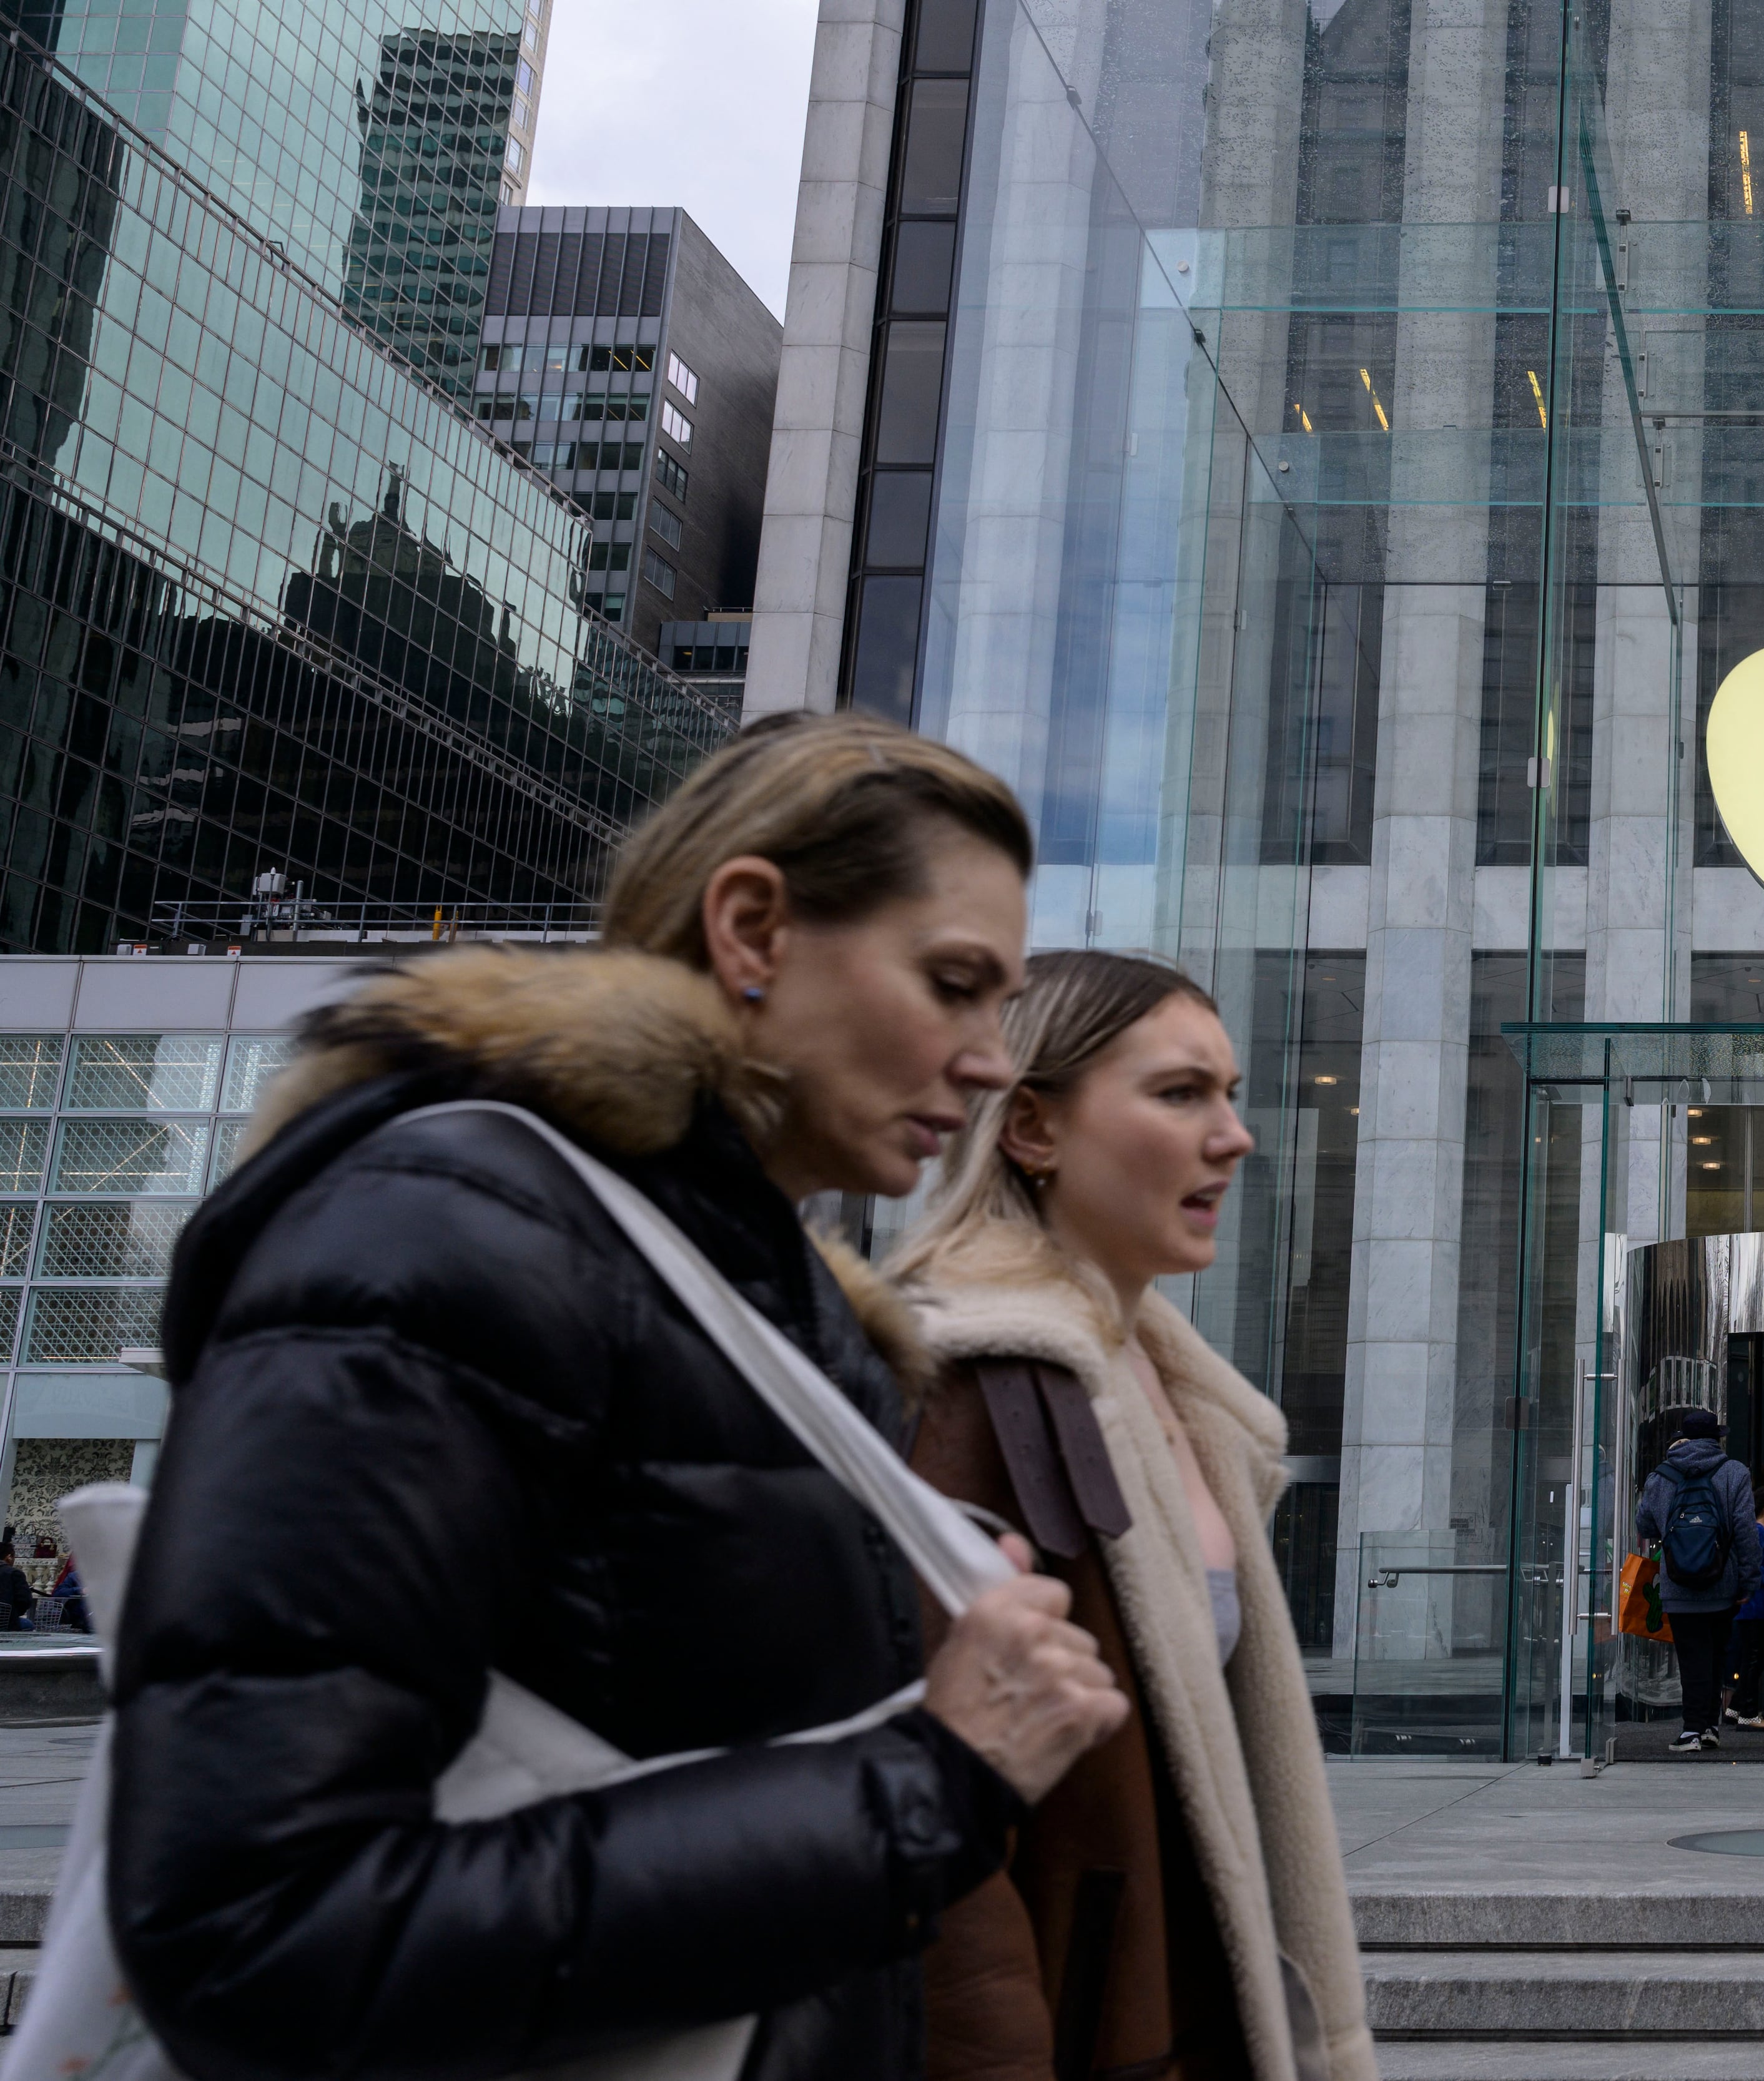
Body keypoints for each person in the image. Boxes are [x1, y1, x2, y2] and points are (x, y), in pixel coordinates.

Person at [109, 714, 1131, 2081]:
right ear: (754, 928)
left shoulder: (777, 1308)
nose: (994, 1058)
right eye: (955, 983)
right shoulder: (440, 1243)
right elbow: (253, 1932)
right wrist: (937, 1771)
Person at [885, 948, 1375, 2081]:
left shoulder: (1180, 1394)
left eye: (1233, 1093)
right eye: (1178, 1092)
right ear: (1033, 1129)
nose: (1234, 1135)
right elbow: (939, 1859)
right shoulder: (969, 1385)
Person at [1635, 1409, 1764, 1751]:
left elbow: (1645, 1525)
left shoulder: (1660, 1476)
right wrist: (1749, 1580)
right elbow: (1745, 1533)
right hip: (1722, 1583)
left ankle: (1691, 1730)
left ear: (1685, 1438)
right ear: (1717, 1439)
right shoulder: (1734, 1472)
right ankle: (1708, 1726)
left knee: (1691, 1656)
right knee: (1716, 1655)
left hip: (1678, 1584)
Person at [1729, 1484, 1764, 1729]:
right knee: (1756, 1657)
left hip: (1753, 1608)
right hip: (1753, 1607)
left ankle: (1735, 1707)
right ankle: (1748, 1713)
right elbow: (1756, 1569)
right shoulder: (1760, 1533)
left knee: (1756, 1656)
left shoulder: (1759, 1533)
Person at [0, 1539, 32, 1630]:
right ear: (9, 1557)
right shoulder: (15, 1574)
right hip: (5, 1622)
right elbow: (24, 1600)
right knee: (28, 1625)